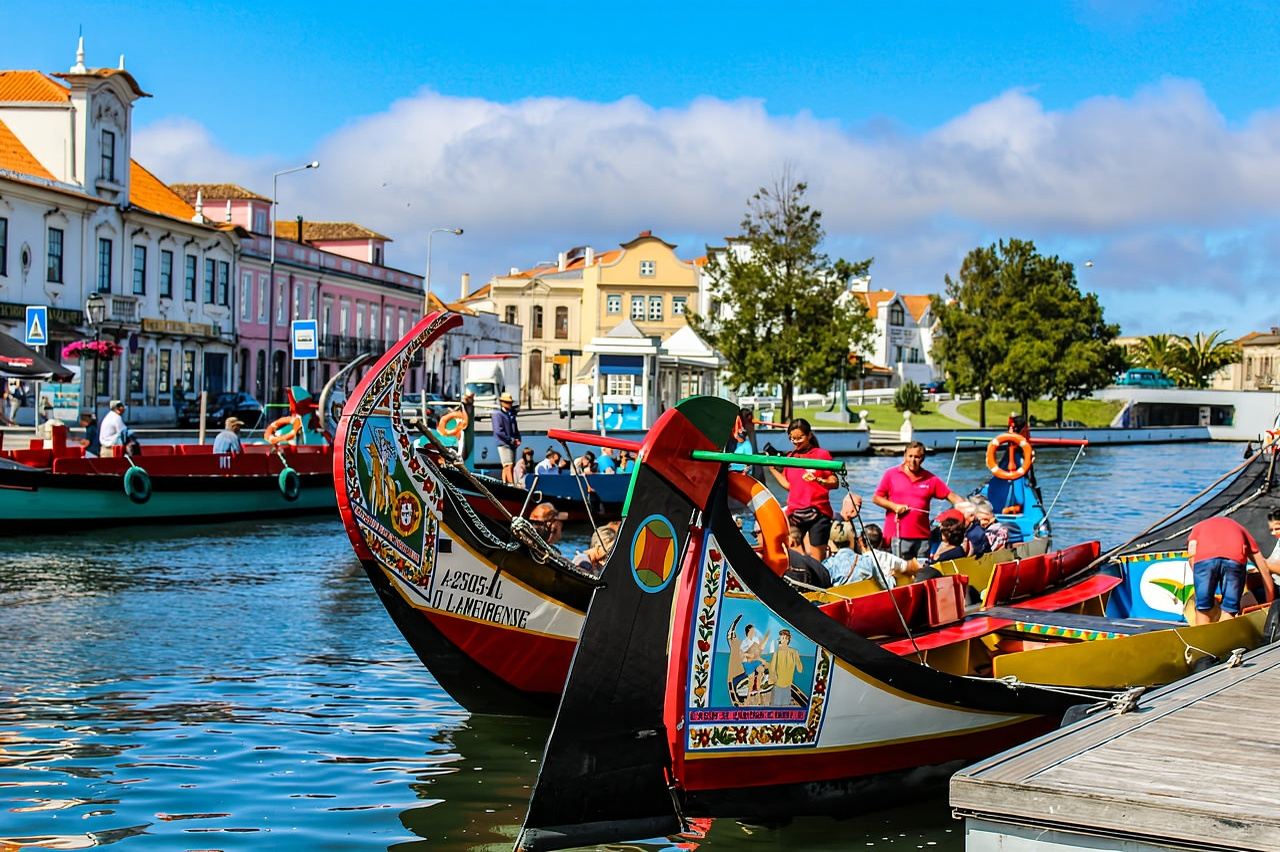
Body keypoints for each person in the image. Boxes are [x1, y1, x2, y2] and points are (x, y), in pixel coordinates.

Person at [872, 441, 962, 559]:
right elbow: (876, 498)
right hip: (898, 536)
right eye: (910, 456)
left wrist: (968, 508)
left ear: (923, 458)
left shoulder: (931, 479)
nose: (913, 460)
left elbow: (951, 496)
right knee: (901, 573)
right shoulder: (891, 474)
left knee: (921, 572)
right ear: (905, 455)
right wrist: (894, 507)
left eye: (917, 457)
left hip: (923, 538)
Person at [767, 419, 837, 561]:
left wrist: (819, 480)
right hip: (795, 513)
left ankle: (819, 580)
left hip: (819, 512)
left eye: (800, 438)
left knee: (818, 560)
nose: (796, 442)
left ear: (809, 435)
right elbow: (788, 485)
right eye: (792, 439)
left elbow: (834, 482)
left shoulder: (821, 455)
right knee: (793, 555)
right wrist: (773, 469)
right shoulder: (790, 457)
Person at [1186, 516, 1275, 625]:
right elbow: (1264, 569)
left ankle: (1201, 637)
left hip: (1204, 561)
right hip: (1234, 561)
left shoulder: (1197, 528)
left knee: (1203, 610)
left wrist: (1203, 588)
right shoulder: (1241, 530)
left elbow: (1192, 557)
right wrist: (1269, 604)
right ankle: (1226, 630)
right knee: (1229, 609)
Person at [848, 523, 921, 588]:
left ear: (860, 541)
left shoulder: (856, 561)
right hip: (886, 593)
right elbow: (912, 566)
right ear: (881, 542)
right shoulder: (888, 558)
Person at [767, 629, 804, 707]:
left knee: (779, 709)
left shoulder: (792, 652)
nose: (782, 640)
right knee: (781, 708)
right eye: (781, 638)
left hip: (785, 687)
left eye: (783, 638)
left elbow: (772, 669)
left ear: (787, 639)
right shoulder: (792, 652)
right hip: (781, 686)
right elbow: (800, 669)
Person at [492, 391, 521, 485]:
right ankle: (511, 484)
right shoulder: (497, 414)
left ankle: (505, 483)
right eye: (508, 402)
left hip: (511, 443)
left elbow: (515, 429)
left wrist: (518, 438)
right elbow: (498, 431)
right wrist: (511, 440)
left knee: (507, 465)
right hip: (503, 443)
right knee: (508, 464)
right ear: (502, 403)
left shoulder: (511, 414)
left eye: (510, 402)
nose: (510, 404)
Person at [823, 520, 859, 586]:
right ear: (851, 539)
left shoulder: (828, 564)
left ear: (832, 541)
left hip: (838, 595)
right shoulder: (867, 560)